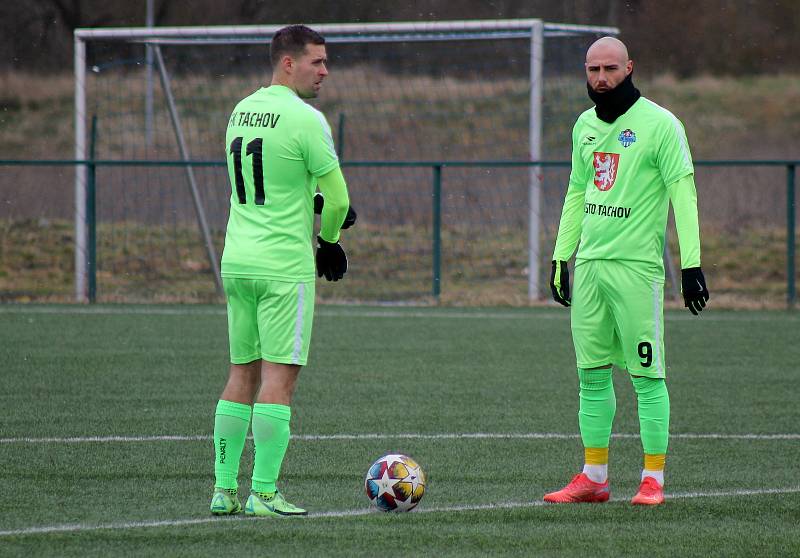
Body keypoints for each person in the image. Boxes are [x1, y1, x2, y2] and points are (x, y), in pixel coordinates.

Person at [544, 37, 709, 506]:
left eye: (610, 69)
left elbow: (684, 193)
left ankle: (653, 478)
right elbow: (578, 191)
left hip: (636, 271)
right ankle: (593, 476)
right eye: (593, 69)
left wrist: (692, 264)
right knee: (591, 375)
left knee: (646, 375)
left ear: (630, 68)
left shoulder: (662, 125)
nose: (601, 78)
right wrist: (562, 255)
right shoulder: (583, 126)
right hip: (592, 267)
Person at [209, 24, 355, 517]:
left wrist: (310, 200)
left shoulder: (241, 109)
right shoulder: (306, 119)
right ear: (288, 63)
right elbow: (339, 199)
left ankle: (223, 489)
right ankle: (264, 493)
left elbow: (268, 182)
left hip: (237, 261)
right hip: (282, 267)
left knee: (240, 373)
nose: (325, 71)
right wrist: (329, 241)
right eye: (317, 61)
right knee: (279, 378)